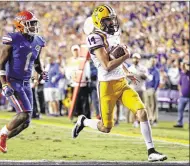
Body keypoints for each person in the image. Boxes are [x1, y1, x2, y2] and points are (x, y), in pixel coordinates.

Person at [72, 5, 167, 162]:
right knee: (106, 127)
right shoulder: (94, 37)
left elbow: (115, 60)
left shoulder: (114, 34)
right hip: (106, 86)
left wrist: (127, 70)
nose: (111, 23)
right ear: (98, 21)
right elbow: (107, 66)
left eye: (111, 19)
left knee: (142, 112)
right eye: (107, 20)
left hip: (122, 83)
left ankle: (151, 151)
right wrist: (126, 56)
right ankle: (84, 121)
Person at [0, 11, 48, 158]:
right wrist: (4, 84)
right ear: (20, 25)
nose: (34, 27)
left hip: (26, 83)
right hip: (12, 81)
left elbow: (36, 61)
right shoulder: (13, 39)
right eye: (31, 24)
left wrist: (41, 72)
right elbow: (1, 64)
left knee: (26, 122)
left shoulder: (38, 41)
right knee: (23, 114)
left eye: (35, 23)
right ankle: (2, 135)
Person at [128, 53, 149, 128]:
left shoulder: (143, 68)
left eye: (136, 58)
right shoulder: (130, 68)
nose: (135, 59)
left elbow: (146, 77)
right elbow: (128, 80)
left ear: (139, 59)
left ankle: (141, 121)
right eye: (134, 58)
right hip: (133, 89)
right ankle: (134, 121)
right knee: (134, 107)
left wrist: (139, 74)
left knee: (142, 107)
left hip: (141, 89)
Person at [173, 59, 190, 128]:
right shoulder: (182, 74)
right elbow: (179, 84)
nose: (185, 67)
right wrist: (180, 91)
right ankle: (180, 123)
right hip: (183, 96)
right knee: (180, 109)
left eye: (187, 66)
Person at [144, 58, 160, 126]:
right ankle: (150, 118)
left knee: (153, 105)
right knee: (147, 105)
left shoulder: (156, 71)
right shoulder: (147, 70)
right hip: (146, 89)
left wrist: (154, 89)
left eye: (152, 62)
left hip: (152, 89)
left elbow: (157, 80)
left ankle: (155, 119)